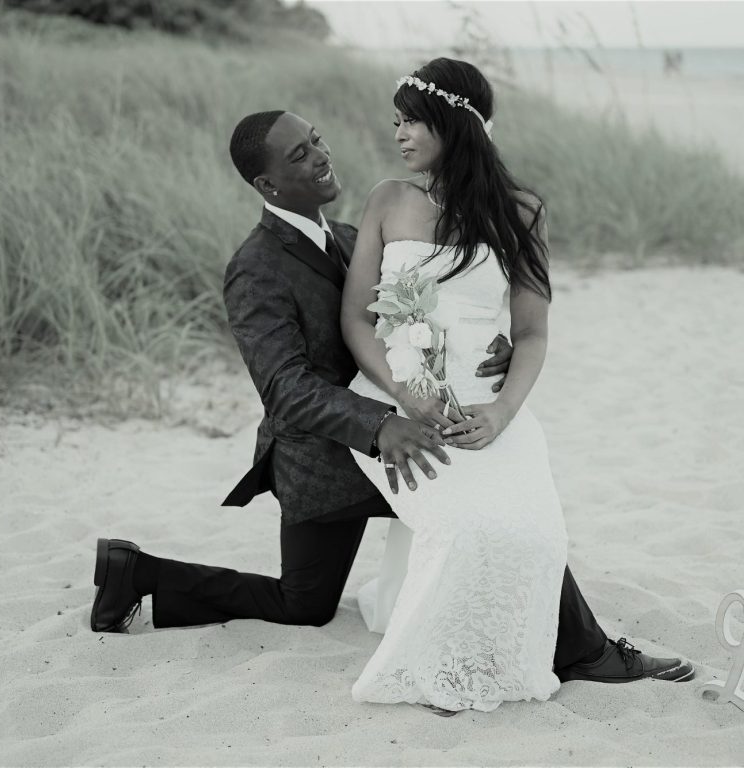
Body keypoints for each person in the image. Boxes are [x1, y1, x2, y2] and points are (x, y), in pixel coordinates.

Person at [89, 101, 692, 697]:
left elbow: (418, 313)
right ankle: (136, 572)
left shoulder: (352, 237)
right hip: (324, 456)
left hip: (397, 431)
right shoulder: (255, 267)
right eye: (301, 154)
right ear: (267, 183)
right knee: (305, 604)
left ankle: (586, 651)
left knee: (496, 494)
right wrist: (382, 427)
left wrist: (497, 343)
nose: (322, 155)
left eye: (318, 139)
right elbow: (284, 389)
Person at [341, 58, 694, 711]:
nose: (400, 134)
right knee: (466, 528)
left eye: (412, 119)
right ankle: (459, 659)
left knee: (536, 532)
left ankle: (577, 651)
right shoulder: (388, 200)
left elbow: (531, 332)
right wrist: (407, 393)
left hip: (492, 405)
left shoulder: (522, 210)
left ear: (457, 121)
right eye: (396, 121)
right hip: (407, 406)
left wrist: (503, 413)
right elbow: (358, 320)